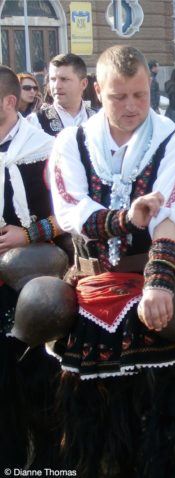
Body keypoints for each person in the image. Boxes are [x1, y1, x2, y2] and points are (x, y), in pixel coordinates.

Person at [48, 45, 175, 477]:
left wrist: (158, 284)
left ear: (149, 87)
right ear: (98, 91)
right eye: (119, 97)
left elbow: (169, 220)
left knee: (169, 417)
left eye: (140, 94)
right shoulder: (70, 143)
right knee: (94, 423)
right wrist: (123, 218)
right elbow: (70, 211)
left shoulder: (174, 142)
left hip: (152, 278)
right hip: (91, 290)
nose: (132, 106)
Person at [0, 65, 61, 468]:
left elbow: (72, 215)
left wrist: (29, 233)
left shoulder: (46, 148)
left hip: (33, 283)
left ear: (8, 101)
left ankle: (50, 464)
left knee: (36, 378)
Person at [28, 53, 95, 136]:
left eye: (64, 79)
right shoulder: (36, 122)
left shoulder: (100, 120)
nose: (57, 86)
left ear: (83, 84)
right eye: (53, 79)